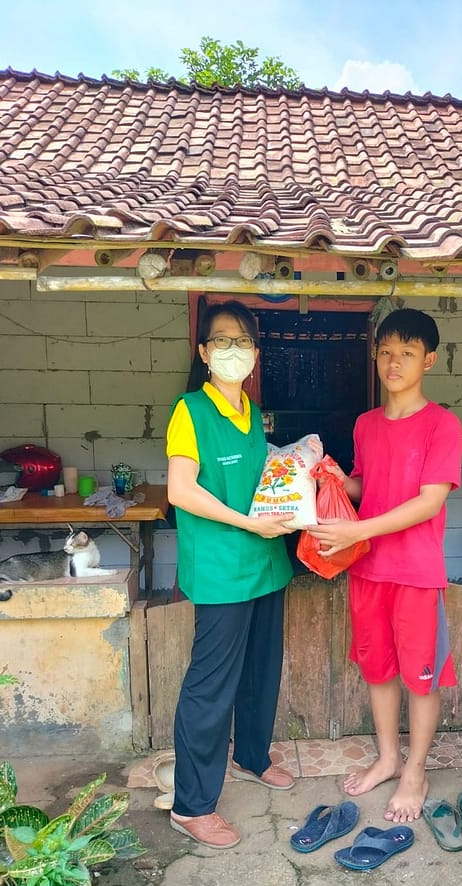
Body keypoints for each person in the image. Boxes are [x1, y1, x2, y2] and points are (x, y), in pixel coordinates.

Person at [307, 308, 462, 823]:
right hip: (368, 569)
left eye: (408, 353)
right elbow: (366, 487)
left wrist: (358, 531)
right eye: (387, 352)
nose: (394, 363)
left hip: (416, 572)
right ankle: (389, 758)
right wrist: (335, 479)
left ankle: (416, 771)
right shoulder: (365, 424)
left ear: (429, 360)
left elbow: (429, 502)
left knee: (420, 677)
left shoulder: (442, 424)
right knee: (378, 670)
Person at [165, 299, 298, 850]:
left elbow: (261, 479)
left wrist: (301, 474)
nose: (232, 351)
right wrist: (248, 523)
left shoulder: (252, 412)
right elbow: (181, 490)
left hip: (265, 562)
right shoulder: (190, 411)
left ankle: (251, 756)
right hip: (222, 568)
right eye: (221, 340)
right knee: (211, 685)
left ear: (255, 353)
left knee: (262, 670)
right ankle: (191, 805)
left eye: (242, 341)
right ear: (203, 351)